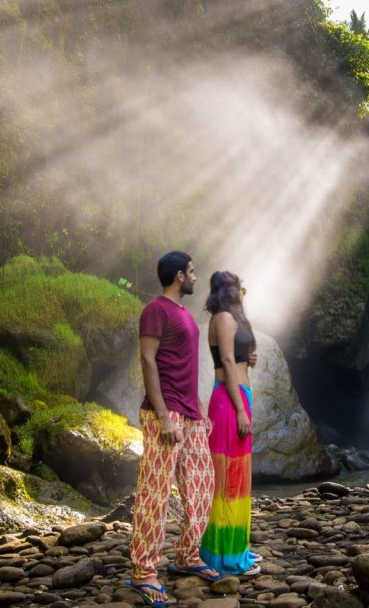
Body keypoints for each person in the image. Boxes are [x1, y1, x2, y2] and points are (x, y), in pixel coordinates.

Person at [126, 251, 218, 608]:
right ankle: (143, 570)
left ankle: (187, 556)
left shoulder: (184, 314)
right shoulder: (155, 310)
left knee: (201, 484)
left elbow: (185, 366)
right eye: (192, 272)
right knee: (156, 490)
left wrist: (200, 408)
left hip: (191, 413)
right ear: (179, 275)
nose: (196, 277)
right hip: (164, 413)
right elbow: (148, 359)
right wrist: (163, 416)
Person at [199, 270, 261, 576]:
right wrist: (239, 410)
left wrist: (249, 360)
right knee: (227, 477)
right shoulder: (222, 317)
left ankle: (238, 547)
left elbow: (236, 357)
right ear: (224, 291)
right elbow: (225, 361)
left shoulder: (233, 318)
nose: (239, 291)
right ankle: (223, 556)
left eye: (240, 285)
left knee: (239, 475)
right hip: (227, 401)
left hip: (239, 397)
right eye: (234, 286)